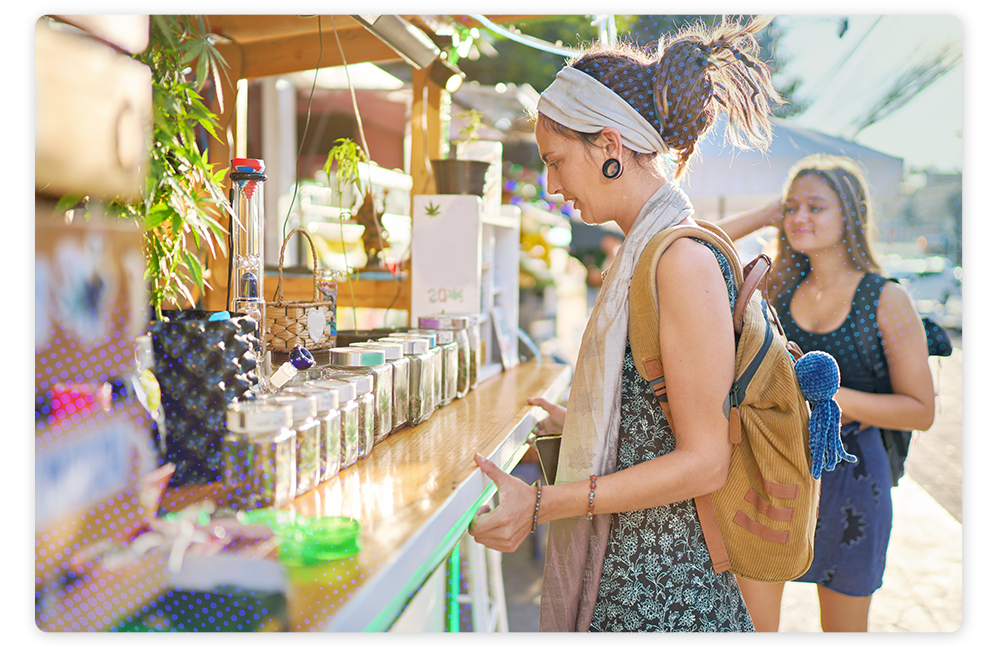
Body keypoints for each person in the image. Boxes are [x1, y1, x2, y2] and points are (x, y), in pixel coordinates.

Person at [467, 15, 784, 632]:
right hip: (638, 583)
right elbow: (667, 419)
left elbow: (705, 461)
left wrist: (543, 503)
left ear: (610, 148)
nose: (552, 185)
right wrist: (591, 422)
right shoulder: (647, 251)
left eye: (556, 161)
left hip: (668, 600)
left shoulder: (679, 261)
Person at [714, 154, 936, 632]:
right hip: (770, 469)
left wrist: (825, 401)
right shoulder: (770, 287)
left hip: (853, 480)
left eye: (816, 207)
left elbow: (921, 412)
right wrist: (763, 214)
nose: (798, 218)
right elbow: (699, 249)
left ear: (850, 214)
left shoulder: (887, 300)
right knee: (752, 629)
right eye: (791, 207)